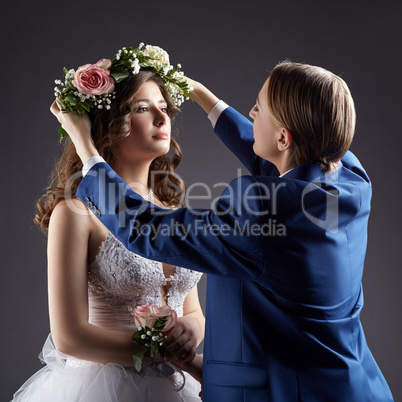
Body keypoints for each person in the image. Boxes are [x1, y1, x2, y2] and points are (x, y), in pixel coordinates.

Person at [52, 61, 394, 401]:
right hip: (355, 385)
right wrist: (202, 96)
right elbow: (293, 155)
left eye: (258, 109)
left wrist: (87, 149)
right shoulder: (350, 179)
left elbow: (144, 228)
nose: (250, 112)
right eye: (143, 108)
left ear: (282, 136)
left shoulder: (259, 206)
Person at [12, 46, 204, 402]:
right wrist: (168, 354)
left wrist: (191, 328)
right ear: (109, 124)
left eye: (164, 107)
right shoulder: (75, 214)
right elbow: (69, 337)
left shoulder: (174, 209)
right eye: (143, 109)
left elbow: (192, 309)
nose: (162, 119)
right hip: (106, 388)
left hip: (180, 385)